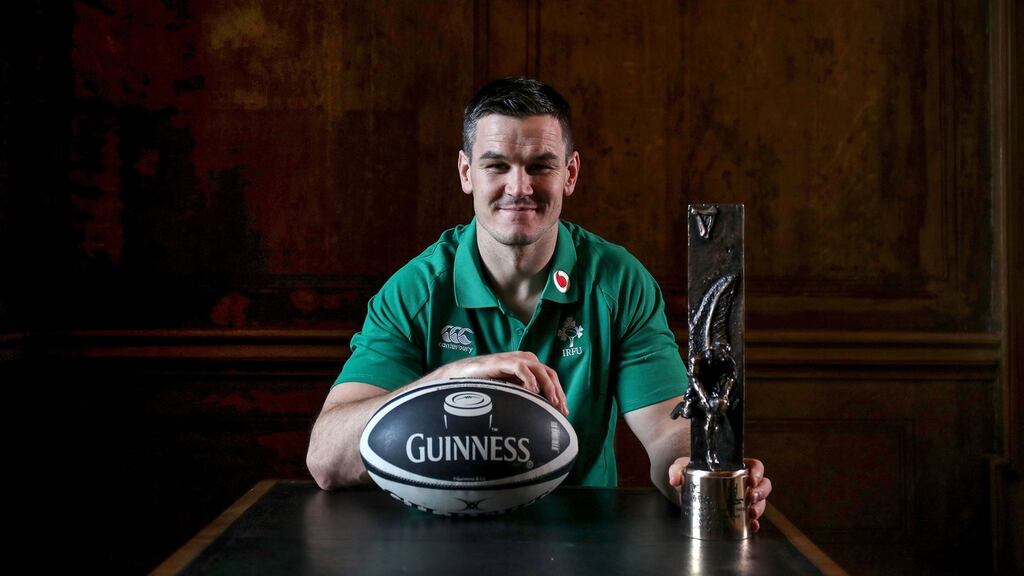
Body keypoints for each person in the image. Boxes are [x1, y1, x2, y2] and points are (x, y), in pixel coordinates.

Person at [306, 77, 772, 530]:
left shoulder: (618, 281)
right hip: (438, 538)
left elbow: (666, 430)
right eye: (496, 166)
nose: (519, 188)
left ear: (570, 173)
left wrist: (696, 475)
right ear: (466, 173)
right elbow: (327, 460)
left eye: (540, 166)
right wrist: (448, 379)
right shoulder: (416, 290)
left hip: (581, 540)